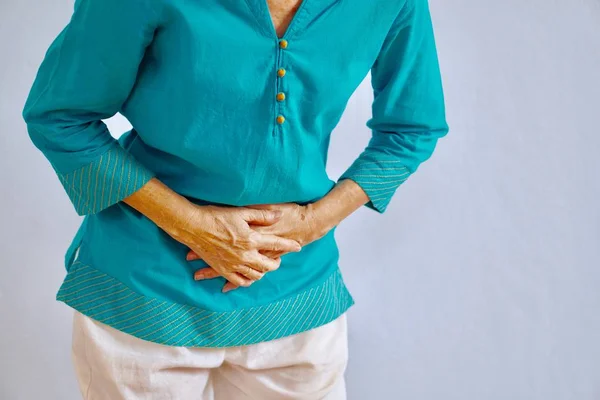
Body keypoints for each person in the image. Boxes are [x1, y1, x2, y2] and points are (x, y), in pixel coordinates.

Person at [22, 0, 449, 398]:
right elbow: (60, 116)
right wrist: (191, 224)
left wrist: (313, 222)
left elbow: (412, 128)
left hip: (296, 288)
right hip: (145, 290)